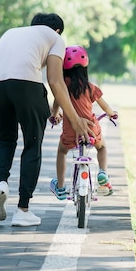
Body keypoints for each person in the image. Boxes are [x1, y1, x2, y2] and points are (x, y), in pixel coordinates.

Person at [0, 13, 94, 227]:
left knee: (5, 139)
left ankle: (2, 182)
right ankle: (22, 210)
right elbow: (55, 81)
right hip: (25, 84)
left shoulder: (12, 33)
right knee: (32, 144)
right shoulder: (55, 38)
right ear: (58, 30)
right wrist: (75, 119)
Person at [49, 45, 118, 199]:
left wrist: (55, 115)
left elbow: (56, 104)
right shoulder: (90, 87)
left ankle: (60, 187)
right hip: (91, 127)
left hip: (70, 129)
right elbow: (105, 106)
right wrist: (112, 114)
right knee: (102, 147)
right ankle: (102, 172)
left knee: (62, 151)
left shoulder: (63, 87)